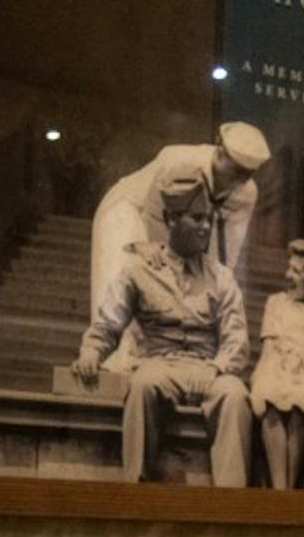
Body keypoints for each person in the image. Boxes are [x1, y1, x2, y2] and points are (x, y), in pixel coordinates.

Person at [73, 164, 253, 486]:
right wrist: (91, 352)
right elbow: (109, 322)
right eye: (196, 219)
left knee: (235, 394)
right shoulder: (140, 271)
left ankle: (232, 499)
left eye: (209, 220)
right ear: (171, 220)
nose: (205, 227)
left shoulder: (221, 277)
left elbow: (236, 339)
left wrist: (218, 368)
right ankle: (137, 487)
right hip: (158, 363)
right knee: (142, 386)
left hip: (207, 367)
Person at [89, 122, 271, 372]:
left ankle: (146, 366)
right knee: (136, 275)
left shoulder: (247, 192)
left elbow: (229, 245)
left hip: (179, 222)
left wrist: (214, 281)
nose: (238, 180)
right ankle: (111, 365)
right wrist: (150, 248)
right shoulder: (178, 159)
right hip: (128, 212)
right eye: (236, 170)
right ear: (219, 151)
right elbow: (156, 214)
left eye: (246, 174)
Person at [251, 239, 304, 490]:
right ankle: (281, 490)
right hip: (279, 367)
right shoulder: (276, 304)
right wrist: (261, 377)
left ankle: (288, 489)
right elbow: (268, 352)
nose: (288, 275)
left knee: (303, 403)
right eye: (289, 268)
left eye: (296, 271)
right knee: (269, 395)